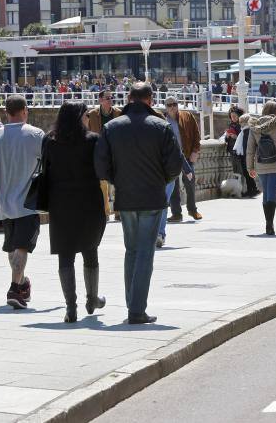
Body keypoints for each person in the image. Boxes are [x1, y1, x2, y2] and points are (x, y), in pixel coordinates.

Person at [94, 83, 182, 324]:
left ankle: (132, 304)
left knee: (131, 251)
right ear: (150, 100)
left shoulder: (111, 127)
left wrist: (118, 180)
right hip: (152, 196)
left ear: (129, 98)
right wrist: (161, 179)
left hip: (126, 197)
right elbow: (175, 165)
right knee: (145, 252)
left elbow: (101, 165)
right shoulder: (161, 126)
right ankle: (136, 310)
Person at [45, 101, 107, 323]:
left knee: (65, 254)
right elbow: (102, 169)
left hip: (60, 203)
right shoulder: (92, 140)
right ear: (80, 117)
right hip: (89, 201)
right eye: (86, 115)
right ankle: (92, 299)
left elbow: (45, 169)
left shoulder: (50, 141)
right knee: (90, 250)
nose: (88, 119)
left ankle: (71, 308)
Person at [0, 95, 45, 309]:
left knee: (13, 247)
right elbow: (49, 166)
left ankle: (21, 283)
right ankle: (15, 288)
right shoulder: (36, 135)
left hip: (3, 203)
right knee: (21, 247)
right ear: (25, 110)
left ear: (6, 112)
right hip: (27, 202)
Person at [246, 101, 276, 235]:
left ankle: (268, 222)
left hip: (260, 164)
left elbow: (250, 149)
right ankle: (270, 224)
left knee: (266, 192)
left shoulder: (254, 125)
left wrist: (250, 168)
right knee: (272, 191)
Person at [164, 96, 203, 222]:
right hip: (171, 159)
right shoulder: (163, 120)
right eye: (169, 105)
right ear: (166, 107)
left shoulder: (187, 116)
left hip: (187, 156)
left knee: (190, 183)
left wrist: (195, 151)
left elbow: (197, 134)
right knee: (173, 187)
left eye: (174, 104)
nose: (172, 107)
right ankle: (176, 213)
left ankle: (193, 210)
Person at [86, 90, 123, 220]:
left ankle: (118, 211)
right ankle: (106, 211)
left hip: (116, 151)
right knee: (102, 183)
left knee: (118, 181)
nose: (110, 100)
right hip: (99, 152)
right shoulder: (92, 114)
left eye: (111, 97)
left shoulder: (119, 113)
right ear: (100, 100)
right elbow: (87, 133)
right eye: (107, 98)